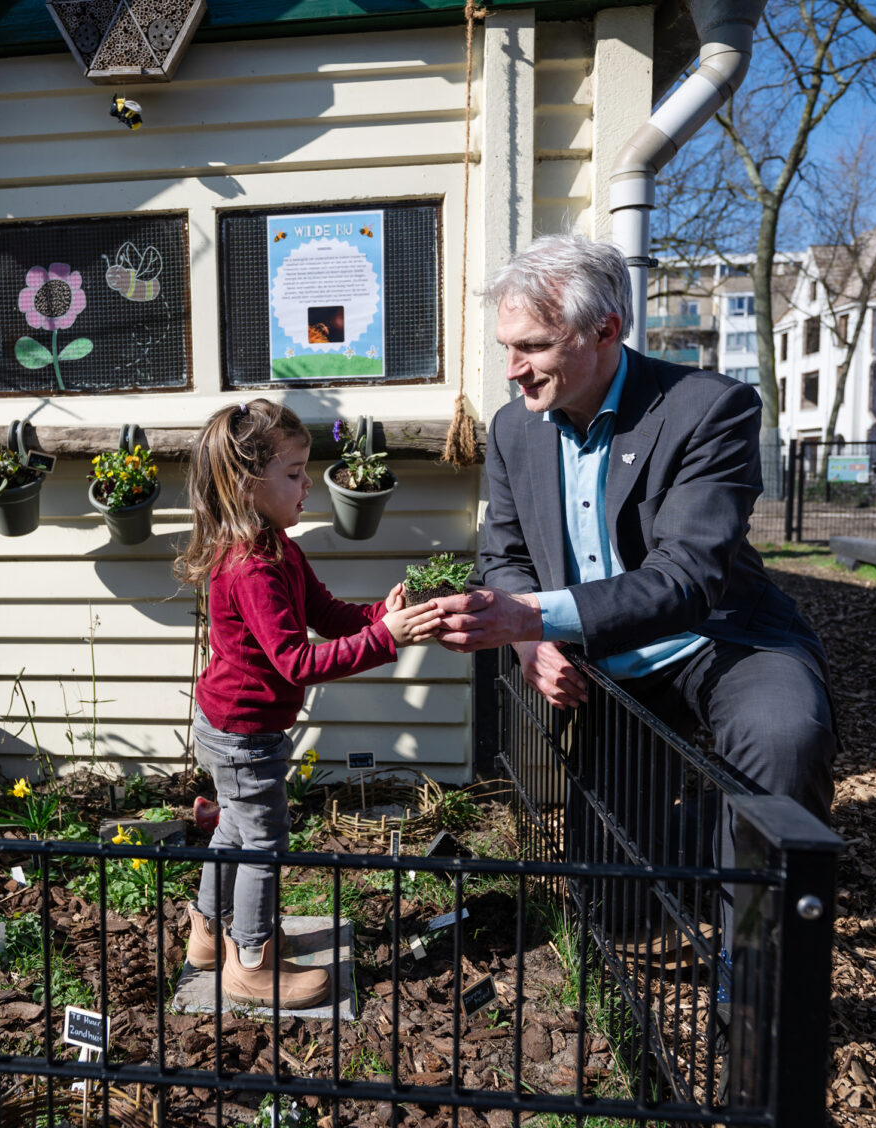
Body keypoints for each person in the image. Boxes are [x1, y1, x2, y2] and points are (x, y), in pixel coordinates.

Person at [432, 234, 835, 830]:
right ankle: (714, 833)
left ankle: (757, 910)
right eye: (507, 348)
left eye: (534, 347)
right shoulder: (514, 428)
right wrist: (527, 642)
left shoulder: (709, 408)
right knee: (607, 906)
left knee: (782, 737)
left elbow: (685, 579)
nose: (514, 369)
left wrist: (528, 616)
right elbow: (505, 556)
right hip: (615, 666)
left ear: (606, 329)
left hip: (723, 636)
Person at [178, 400, 441, 1007]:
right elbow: (296, 661)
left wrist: (384, 614)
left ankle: (208, 936)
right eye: (294, 474)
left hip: (234, 723)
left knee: (235, 835)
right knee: (265, 841)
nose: (307, 487)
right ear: (247, 483)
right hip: (243, 733)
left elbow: (325, 614)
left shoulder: (276, 548)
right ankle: (251, 961)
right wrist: (386, 641)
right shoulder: (251, 568)